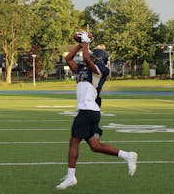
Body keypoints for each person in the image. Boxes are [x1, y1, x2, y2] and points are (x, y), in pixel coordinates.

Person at [56, 32, 138, 190]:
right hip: (90, 111)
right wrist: (81, 43)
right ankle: (127, 156)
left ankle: (71, 176)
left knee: (74, 141)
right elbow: (68, 59)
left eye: (94, 56)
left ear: (99, 60)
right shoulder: (83, 69)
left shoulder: (101, 71)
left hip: (87, 111)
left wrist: (86, 41)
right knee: (95, 145)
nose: (90, 56)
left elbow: (87, 58)